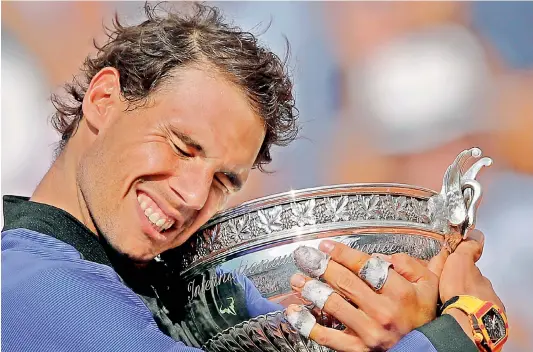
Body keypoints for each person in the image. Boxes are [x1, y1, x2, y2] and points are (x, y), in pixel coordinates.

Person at [2, 3, 507, 352]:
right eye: (182, 146)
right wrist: (461, 332)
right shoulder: (33, 290)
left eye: (224, 180)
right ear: (104, 100)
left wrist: (399, 318)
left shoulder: (189, 292)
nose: (194, 194)